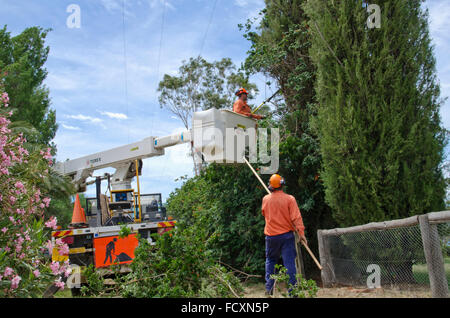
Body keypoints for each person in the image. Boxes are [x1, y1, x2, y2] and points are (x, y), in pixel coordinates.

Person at [261, 174, 307, 296]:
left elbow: (264, 213)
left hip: (271, 237)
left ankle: (269, 289)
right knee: (289, 263)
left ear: (271, 186)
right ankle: (293, 292)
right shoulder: (290, 199)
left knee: (270, 261)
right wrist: (301, 234)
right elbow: (296, 218)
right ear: (282, 185)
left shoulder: (266, 199)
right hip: (287, 236)